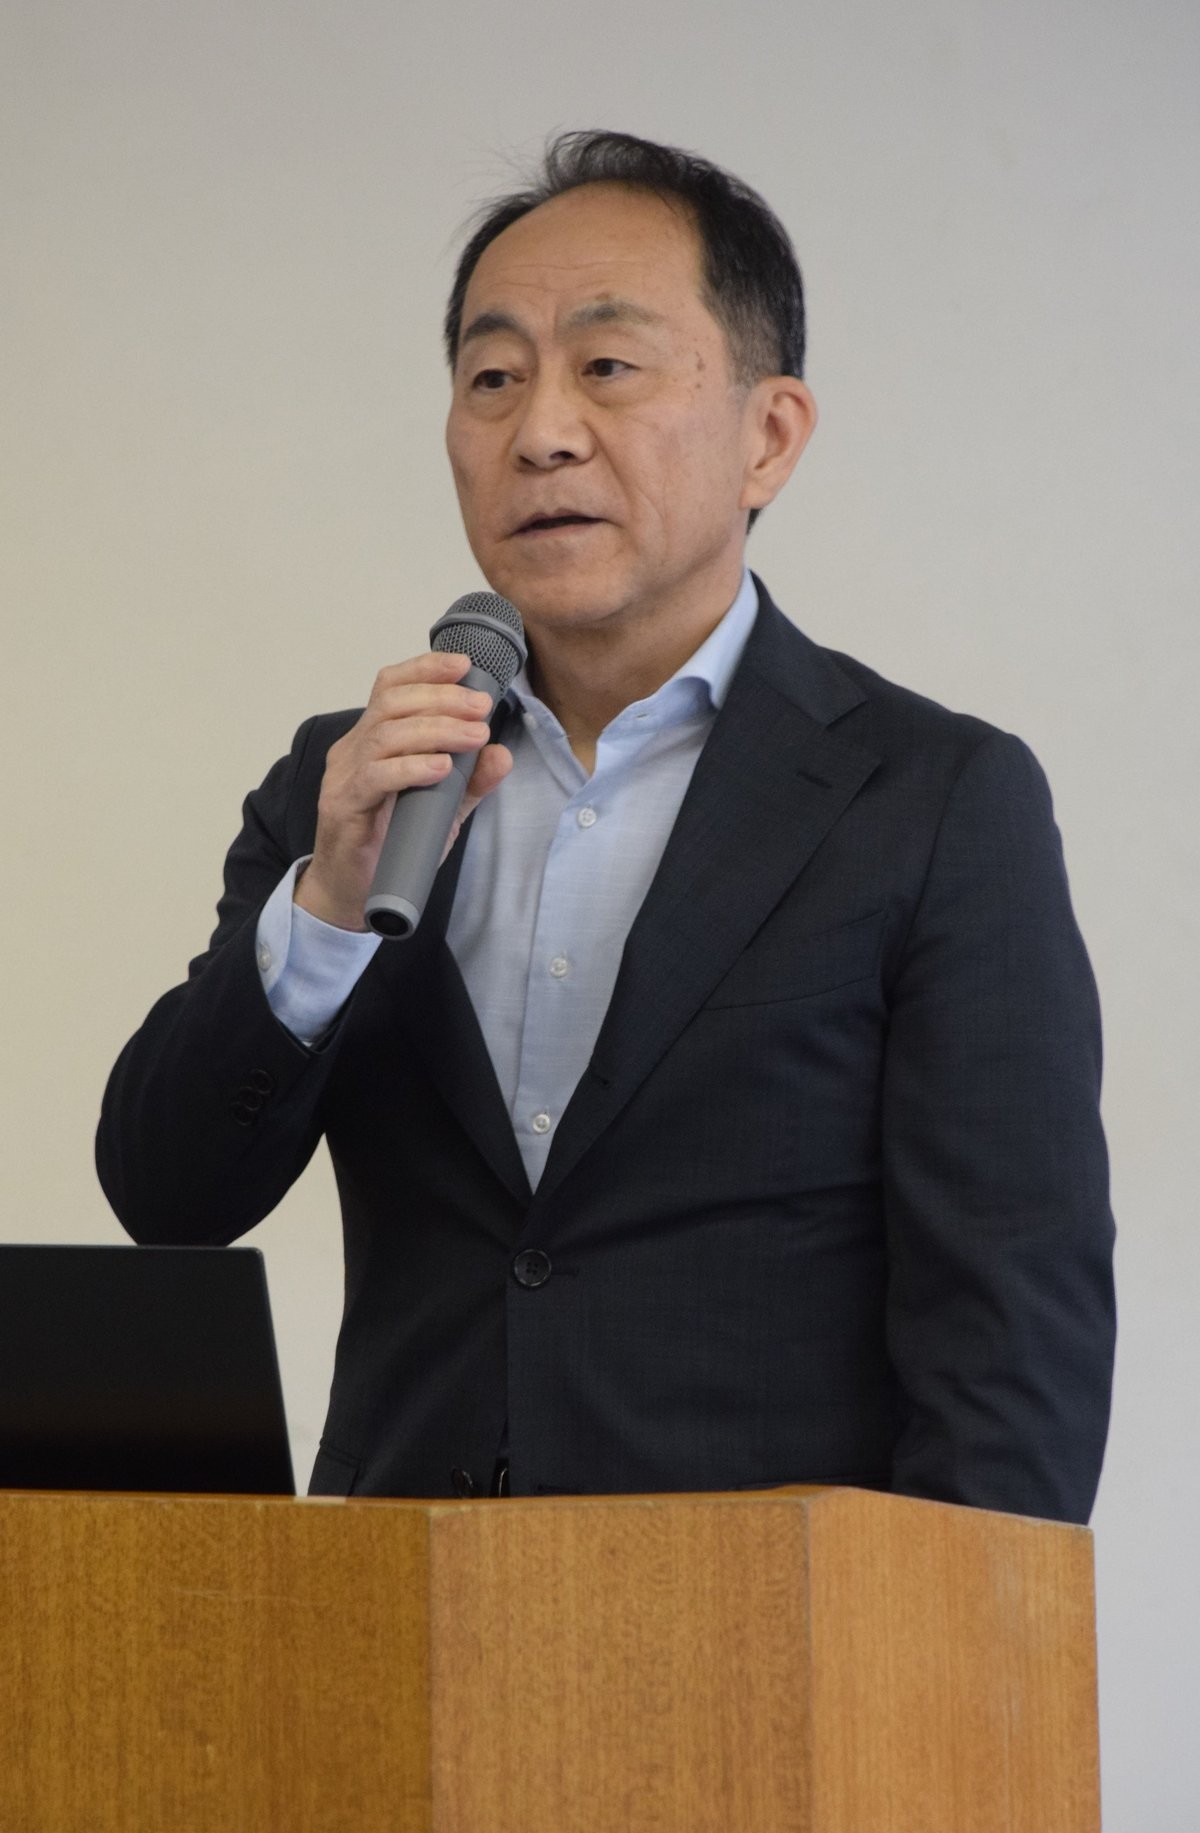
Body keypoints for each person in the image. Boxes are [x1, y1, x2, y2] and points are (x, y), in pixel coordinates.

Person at [97, 131, 1115, 1521]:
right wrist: (324, 914)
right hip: (396, 1606)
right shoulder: (355, 786)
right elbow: (168, 1197)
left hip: (775, 1621)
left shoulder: (931, 800)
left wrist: (951, 1644)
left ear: (769, 435)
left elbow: (1012, 1337)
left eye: (608, 366)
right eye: (493, 377)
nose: (542, 431)